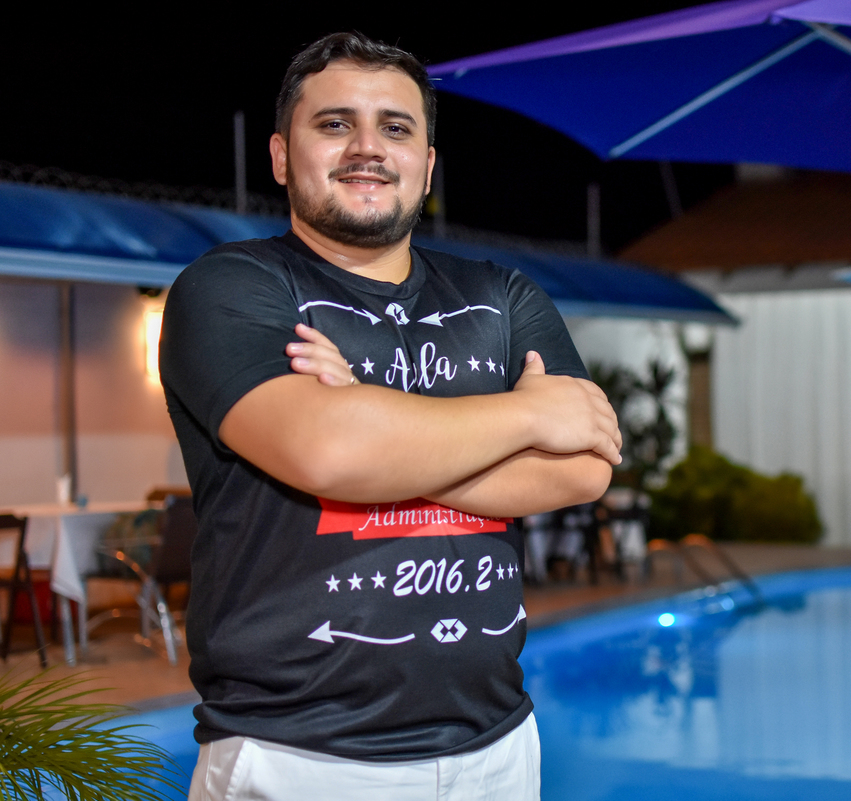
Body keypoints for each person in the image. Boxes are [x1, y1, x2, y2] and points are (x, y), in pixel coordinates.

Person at [159, 31, 621, 801]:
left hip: (497, 749)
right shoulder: (230, 289)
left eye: (395, 127)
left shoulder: (502, 296)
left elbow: (583, 466)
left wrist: (375, 427)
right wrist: (525, 413)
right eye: (335, 123)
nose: (368, 147)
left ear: (428, 165)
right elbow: (329, 452)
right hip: (299, 756)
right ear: (281, 156)